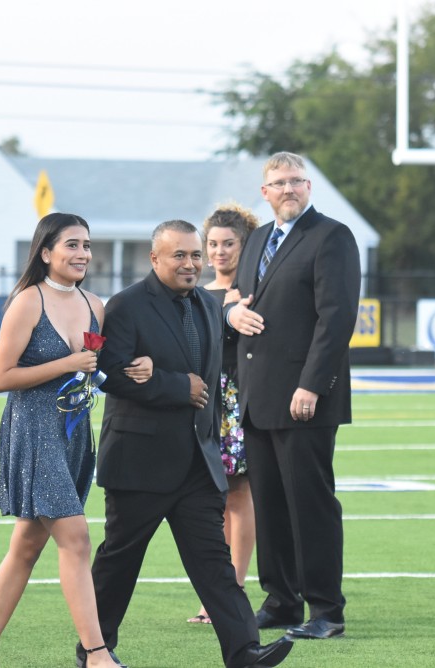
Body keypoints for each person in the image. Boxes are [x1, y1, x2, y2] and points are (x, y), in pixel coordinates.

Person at [89, 220, 293, 668]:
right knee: (118, 564)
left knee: (215, 565)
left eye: (195, 255)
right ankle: (95, 650)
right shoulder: (124, 306)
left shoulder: (206, 302)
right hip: (139, 464)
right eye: (179, 255)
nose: (191, 263)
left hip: (197, 465)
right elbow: (109, 375)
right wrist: (175, 386)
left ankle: (245, 652)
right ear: (155, 259)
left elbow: (213, 382)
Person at [0, 213, 152, 668]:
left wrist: (132, 370)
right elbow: (1, 378)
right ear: (46, 252)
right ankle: (96, 654)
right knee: (76, 539)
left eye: (86, 245)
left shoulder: (94, 303)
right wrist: (69, 362)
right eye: (71, 244)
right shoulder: (27, 302)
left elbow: (93, 370)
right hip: (33, 433)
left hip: (73, 435)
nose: (82, 254)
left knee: (27, 545)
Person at [226, 152, 360, 640]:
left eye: (296, 181)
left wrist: (311, 384)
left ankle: (327, 611)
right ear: (265, 192)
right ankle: (282, 600)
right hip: (257, 397)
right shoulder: (259, 238)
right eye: (278, 183)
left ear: (309, 187)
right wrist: (230, 316)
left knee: (310, 504)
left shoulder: (332, 237)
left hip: (304, 398)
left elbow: (337, 318)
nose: (288, 189)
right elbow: (238, 302)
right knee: (270, 504)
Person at [187, 204, 260, 626]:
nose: (218, 252)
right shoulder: (197, 291)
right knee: (206, 500)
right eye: (211, 244)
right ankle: (217, 591)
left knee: (237, 494)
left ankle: (232, 590)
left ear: (243, 245)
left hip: (236, 401)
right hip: (200, 403)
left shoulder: (253, 291)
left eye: (228, 243)